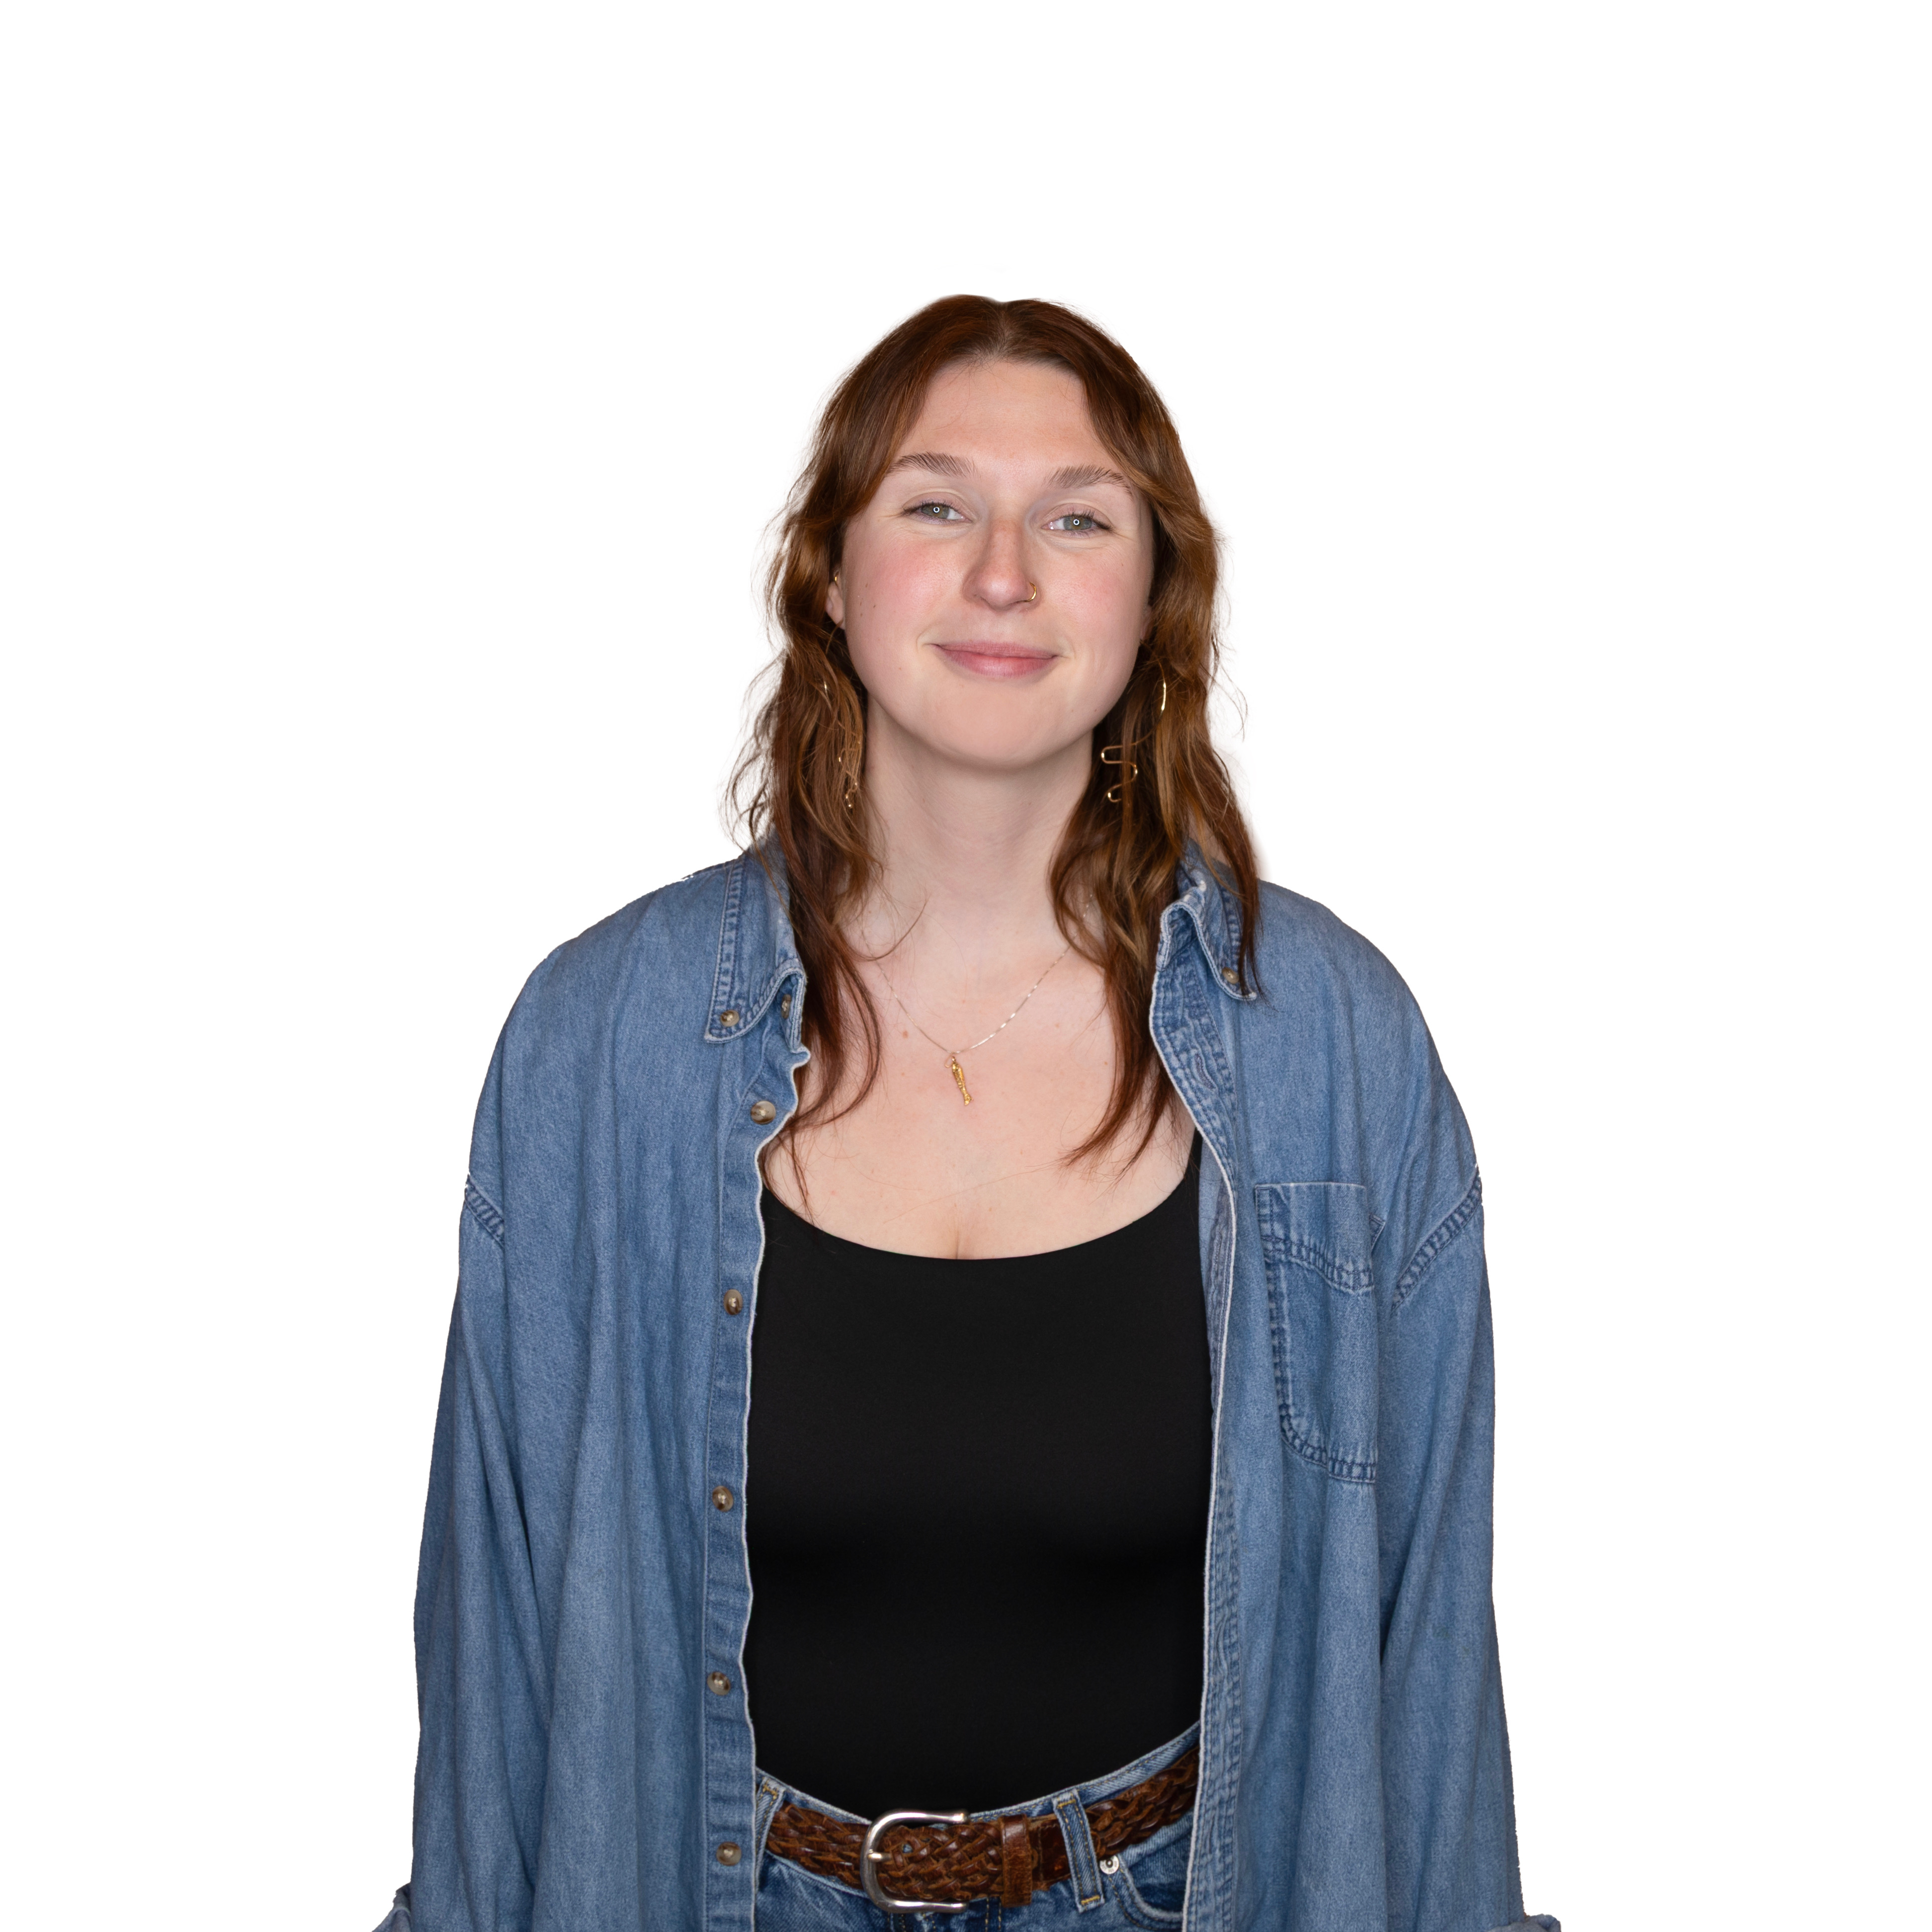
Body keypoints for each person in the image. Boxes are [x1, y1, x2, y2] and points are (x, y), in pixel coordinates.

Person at [381, 297, 1558, 1932]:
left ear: (1152, 599)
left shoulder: (1331, 1051)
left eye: (1076, 518)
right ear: (833, 575)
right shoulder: (605, 1044)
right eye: (937, 505)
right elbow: (493, 1642)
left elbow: (1429, 1647)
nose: (1003, 572)